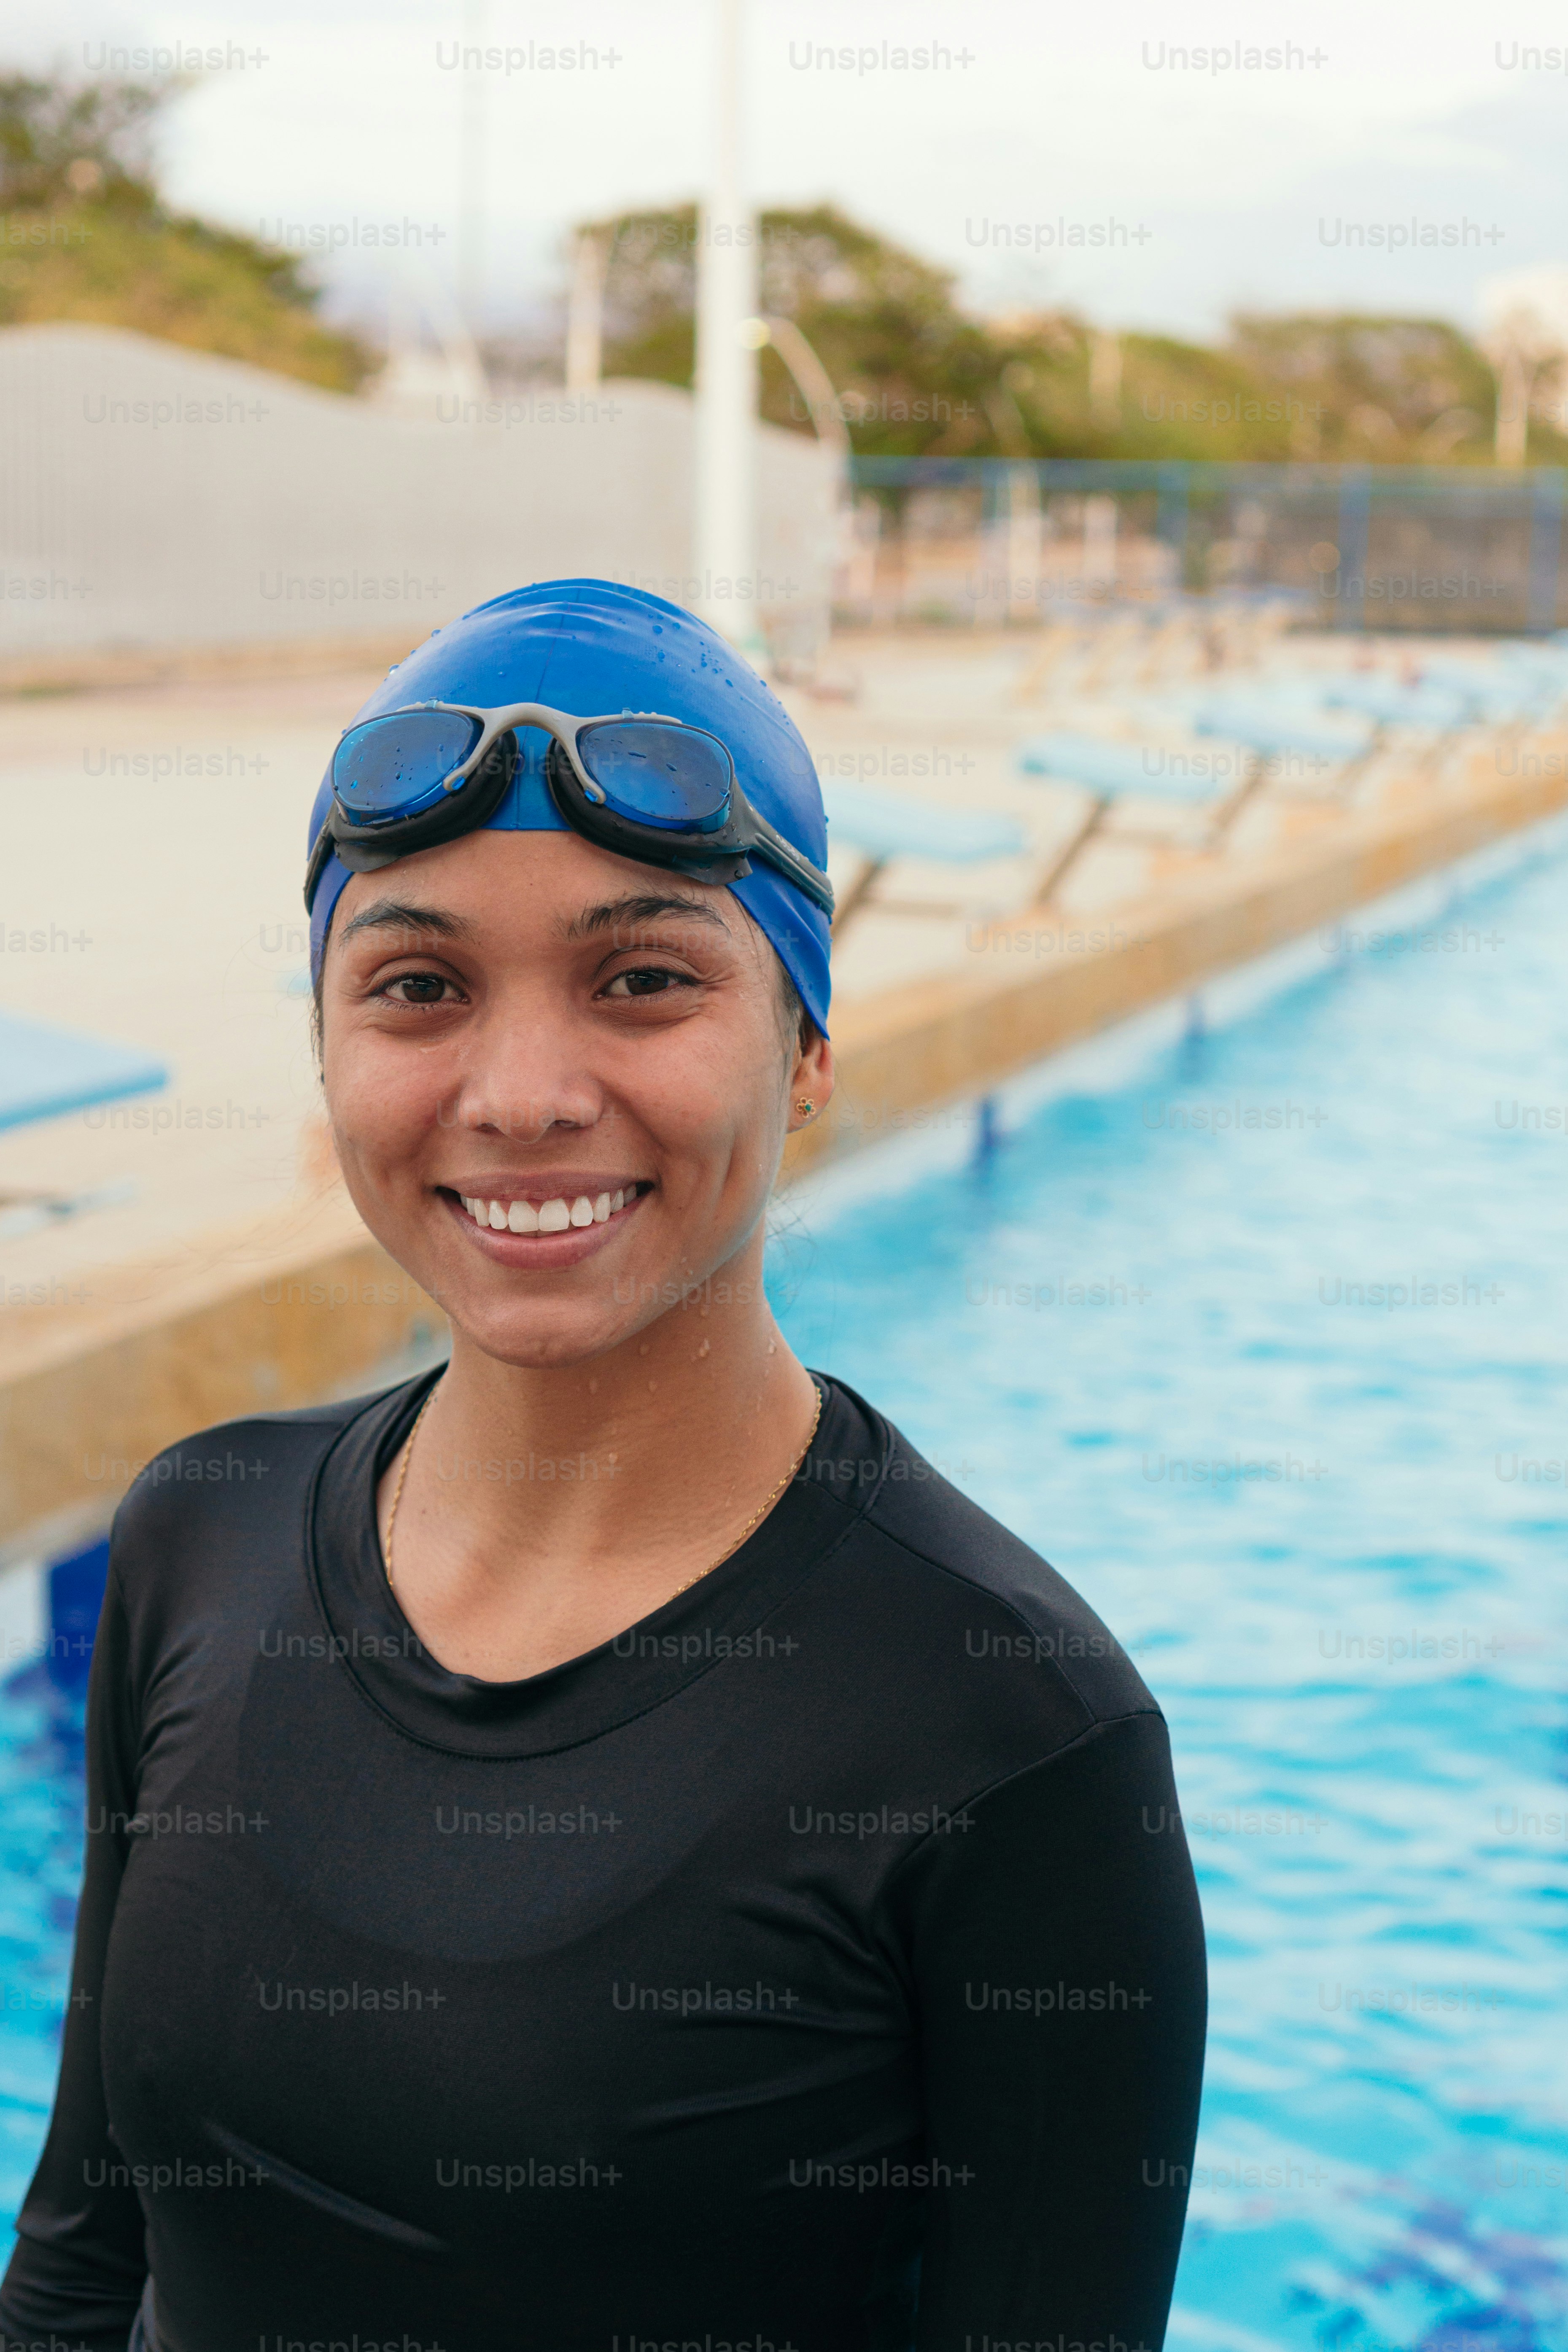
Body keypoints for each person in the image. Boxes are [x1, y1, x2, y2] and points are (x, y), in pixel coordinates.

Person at [0, 579, 1205, 2352]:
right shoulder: (203, 1531)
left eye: (642, 979)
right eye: (418, 985)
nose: (522, 1091)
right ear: (328, 1044)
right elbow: (86, 2247)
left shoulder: (1010, 1727)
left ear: (803, 1055)